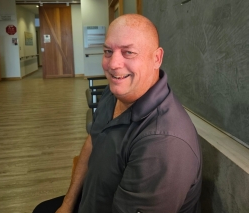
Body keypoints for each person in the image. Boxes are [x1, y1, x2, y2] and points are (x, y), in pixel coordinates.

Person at [33, 14, 202, 213]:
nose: (113, 64)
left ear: (156, 58)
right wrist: (68, 204)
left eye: (128, 52)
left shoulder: (163, 143)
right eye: (108, 51)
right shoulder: (115, 92)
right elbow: (93, 141)